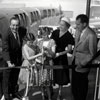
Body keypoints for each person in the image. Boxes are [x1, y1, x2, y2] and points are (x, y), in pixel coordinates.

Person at [71, 14, 97, 100]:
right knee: (74, 87)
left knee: (81, 87)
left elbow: (92, 53)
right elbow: (76, 46)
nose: (76, 26)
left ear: (85, 24)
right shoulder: (78, 31)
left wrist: (82, 63)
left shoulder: (91, 35)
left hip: (83, 65)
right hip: (75, 62)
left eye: (78, 24)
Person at [2, 16, 26, 100]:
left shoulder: (22, 30)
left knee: (15, 77)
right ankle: (7, 96)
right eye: (13, 25)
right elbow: (5, 50)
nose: (15, 27)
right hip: (9, 60)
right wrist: (8, 62)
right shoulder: (6, 34)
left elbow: (26, 36)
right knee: (7, 79)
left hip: (18, 59)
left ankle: (14, 92)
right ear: (10, 25)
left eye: (17, 25)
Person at [51, 16, 74, 100]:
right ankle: (50, 91)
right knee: (51, 73)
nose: (60, 26)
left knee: (61, 76)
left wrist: (59, 54)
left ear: (67, 26)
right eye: (60, 24)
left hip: (61, 57)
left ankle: (59, 93)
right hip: (53, 55)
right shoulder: (55, 32)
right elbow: (51, 43)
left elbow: (69, 49)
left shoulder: (69, 36)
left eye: (62, 25)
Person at [37, 26, 56, 100]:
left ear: (48, 33)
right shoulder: (39, 42)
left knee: (47, 83)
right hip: (41, 63)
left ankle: (49, 97)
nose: (44, 36)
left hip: (48, 62)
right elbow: (37, 52)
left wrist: (47, 50)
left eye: (46, 34)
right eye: (43, 35)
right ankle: (43, 96)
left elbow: (53, 54)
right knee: (41, 82)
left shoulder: (52, 41)